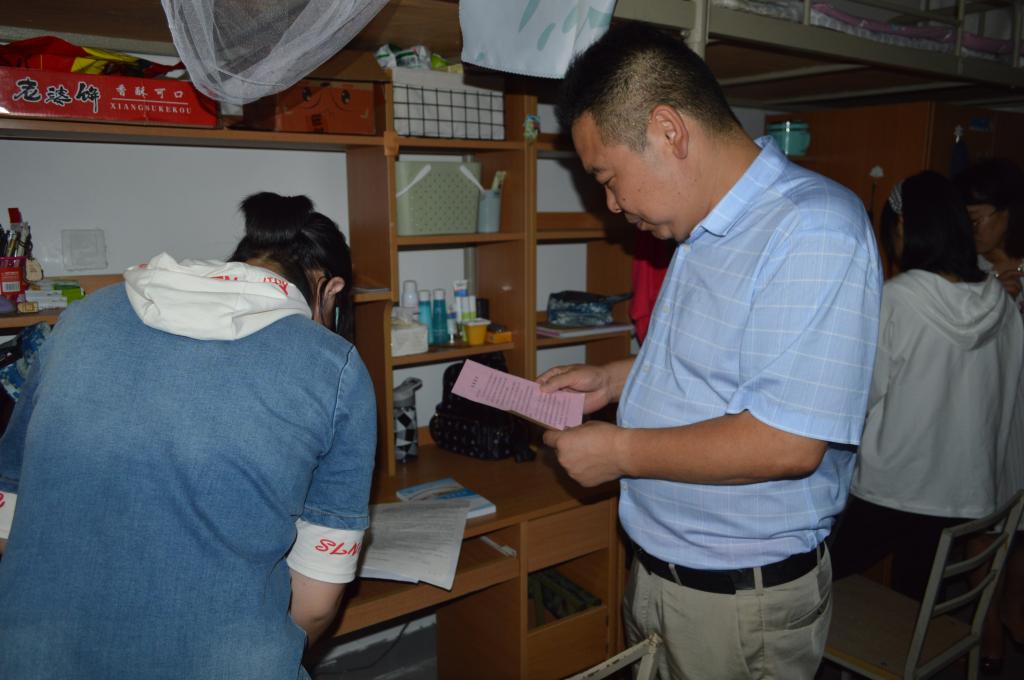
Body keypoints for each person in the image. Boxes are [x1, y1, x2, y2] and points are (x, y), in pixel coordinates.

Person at [538, 23, 882, 679]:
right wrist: (614, 380)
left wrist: (619, 452)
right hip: (667, 575)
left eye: (608, 177)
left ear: (669, 131)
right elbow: (721, 365)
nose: (611, 204)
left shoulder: (813, 229)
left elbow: (787, 442)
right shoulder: (703, 228)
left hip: (737, 604)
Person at [0, 192, 377, 680]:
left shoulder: (80, 319)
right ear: (330, 289)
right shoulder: (335, 366)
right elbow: (315, 605)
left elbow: (9, 514)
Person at [828, 172, 1023, 603]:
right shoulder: (1002, 303)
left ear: (903, 227)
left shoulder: (896, 298)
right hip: (966, 494)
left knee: (818, 576)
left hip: (896, 486)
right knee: (913, 601)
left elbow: (861, 395)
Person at [956, 158, 1024, 674]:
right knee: (983, 526)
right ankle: (990, 642)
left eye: (979, 218)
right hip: (986, 417)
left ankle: (1011, 625)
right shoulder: (969, 273)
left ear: (1008, 215)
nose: (972, 229)